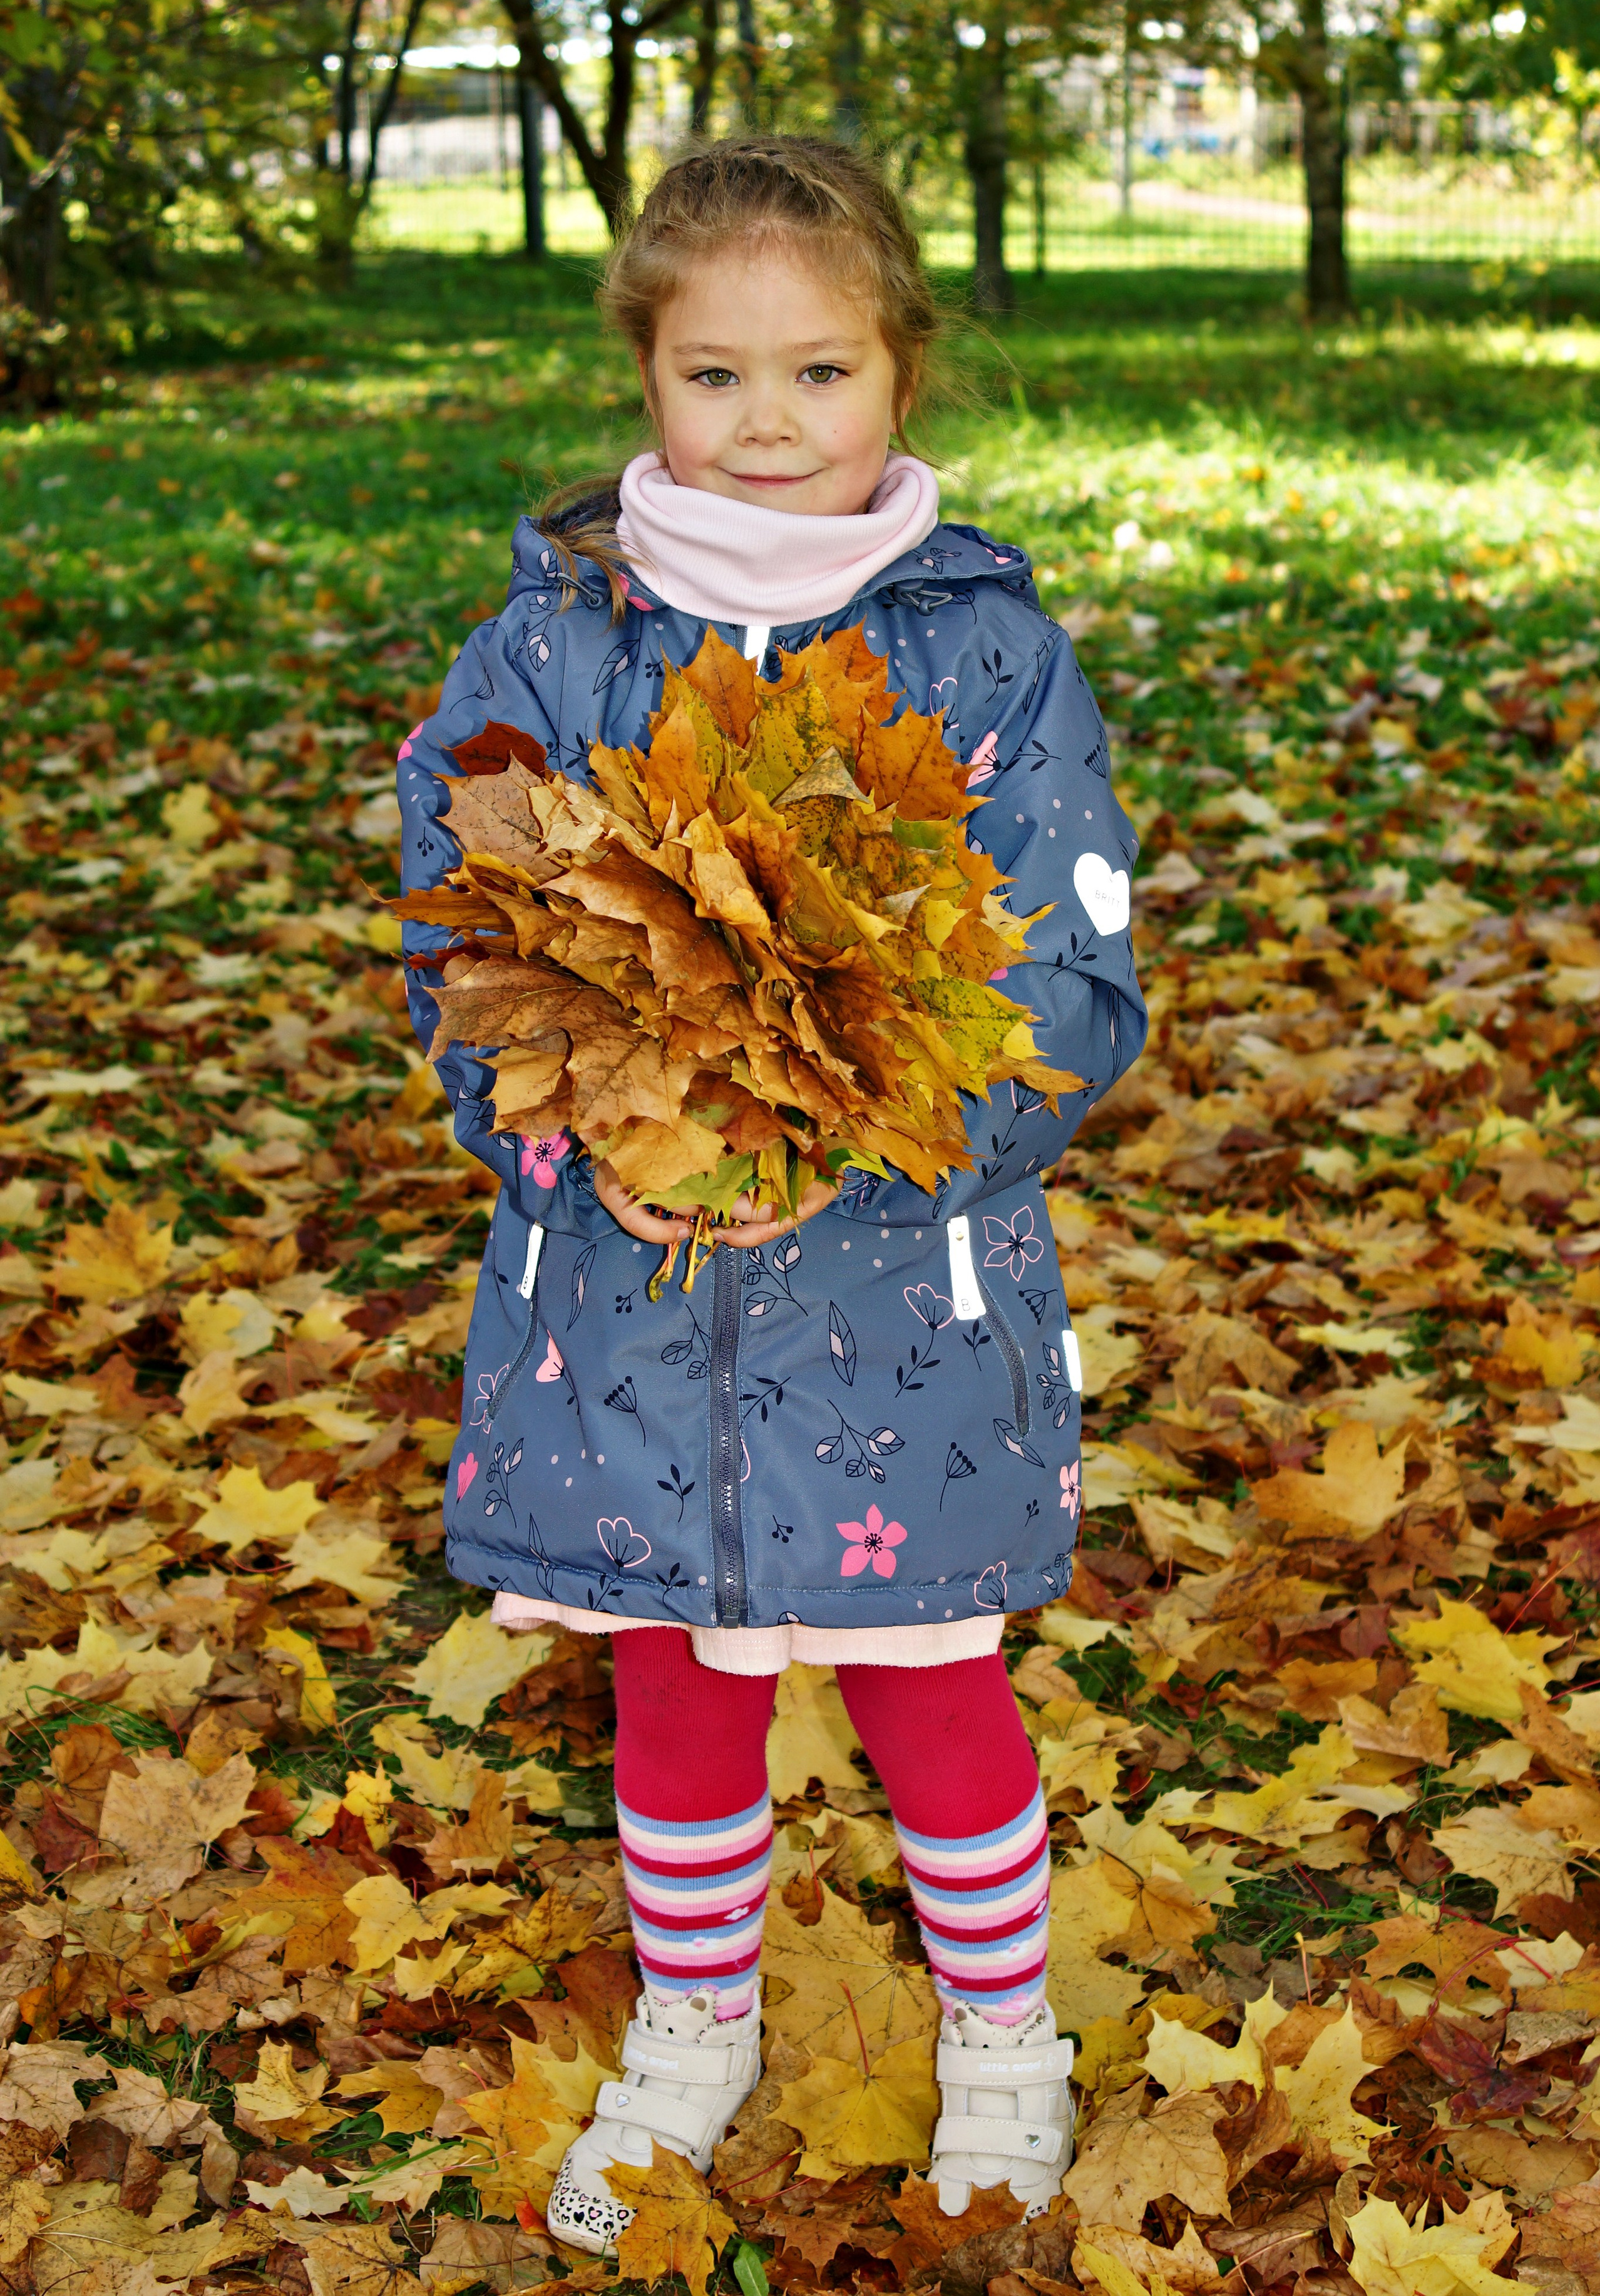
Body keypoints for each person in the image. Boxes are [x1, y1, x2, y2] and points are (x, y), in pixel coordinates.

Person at [396, 135, 1147, 2254]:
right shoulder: (554, 646)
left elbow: (1076, 981)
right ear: (642, 377)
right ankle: (693, 2024)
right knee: (670, 1668)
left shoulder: (988, 661)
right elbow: (456, 934)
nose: (766, 424)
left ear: (904, 371)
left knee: (930, 1676)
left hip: (903, 1298)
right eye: (714, 374)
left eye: (818, 372)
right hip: (611, 1303)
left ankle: (1005, 2038)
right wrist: (588, 1134)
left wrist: (857, 1133)